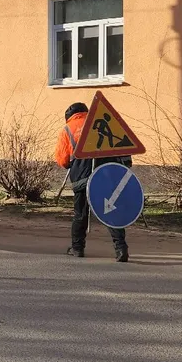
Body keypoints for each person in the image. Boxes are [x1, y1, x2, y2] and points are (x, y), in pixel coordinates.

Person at [54, 102, 130, 262]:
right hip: (106, 176)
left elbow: (62, 160)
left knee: (80, 213)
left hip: (81, 177)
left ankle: (77, 248)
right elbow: (124, 151)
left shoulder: (68, 129)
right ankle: (121, 249)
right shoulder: (103, 122)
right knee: (110, 211)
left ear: (69, 117)